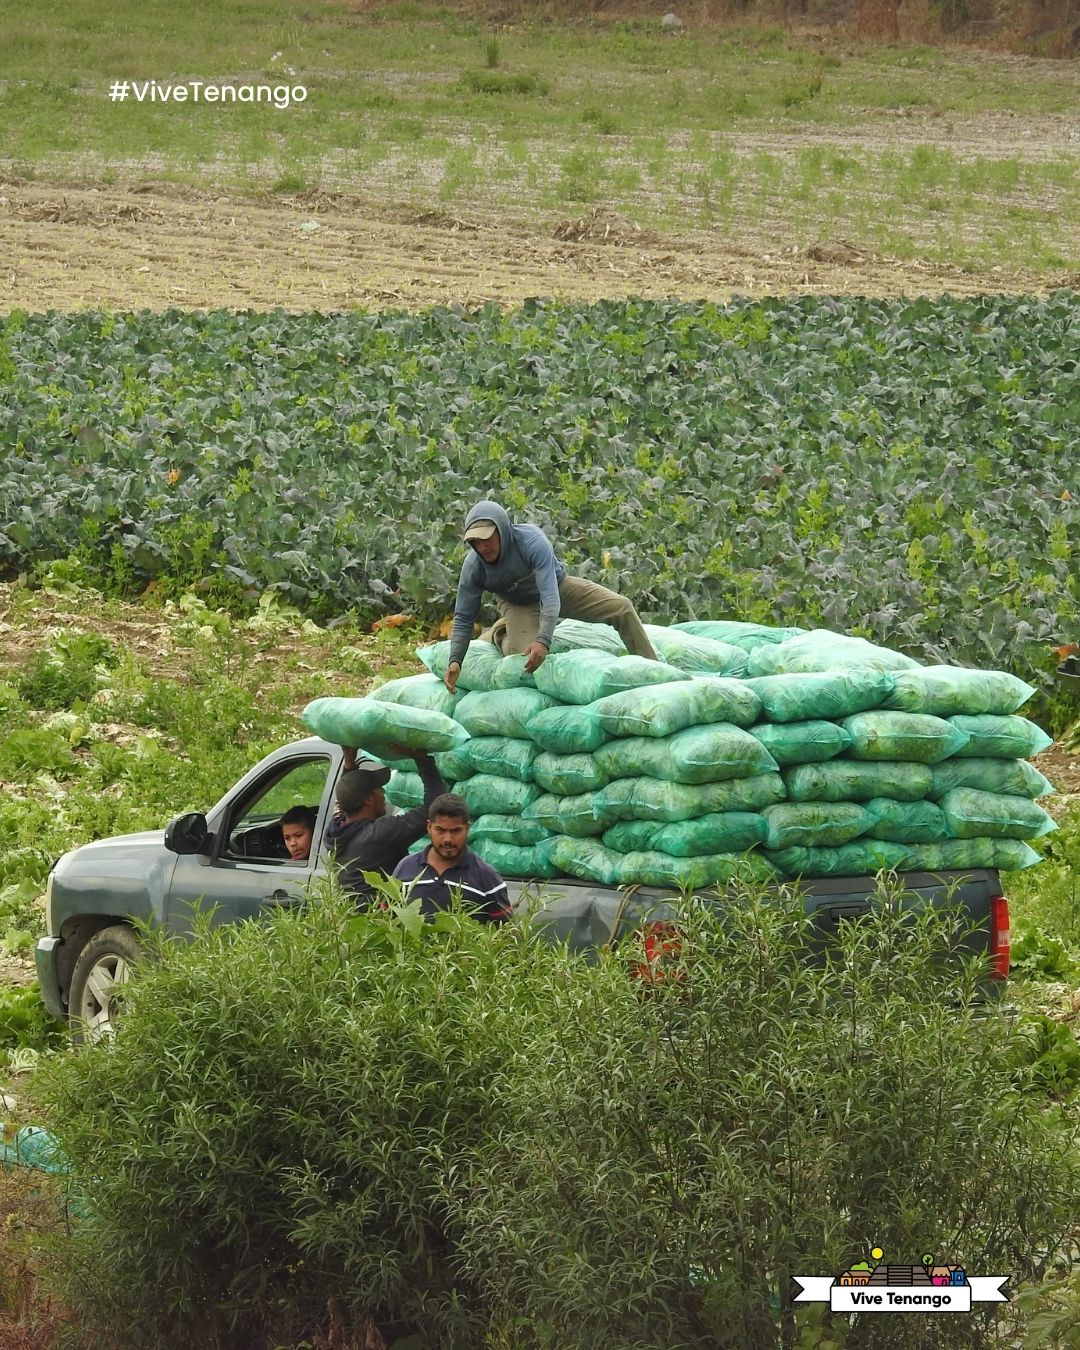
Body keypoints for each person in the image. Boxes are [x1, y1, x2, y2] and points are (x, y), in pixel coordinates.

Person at [444, 498, 658, 693]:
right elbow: (464, 616)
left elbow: (550, 595)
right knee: (525, 659)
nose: (483, 547)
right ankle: (501, 633)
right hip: (517, 603)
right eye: (476, 542)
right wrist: (455, 660)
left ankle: (653, 670)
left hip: (557, 588)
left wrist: (544, 640)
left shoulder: (531, 541)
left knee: (621, 607)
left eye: (487, 539)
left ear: (503, 530)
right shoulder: (473, 567)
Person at [326, 750, 447, 903]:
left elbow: (345, 796)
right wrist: (421, 758)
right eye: (378, 788)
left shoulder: (336, 829)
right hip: (380, 920)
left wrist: (349, 762)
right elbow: (436, 806)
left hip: (354, 918)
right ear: (369, 799)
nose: (383, 791)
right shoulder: (379, 834)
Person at [391, 794, 510, 924]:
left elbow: (506, 934)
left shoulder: (487, 877)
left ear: (467, 828)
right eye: (440, 830)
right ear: (429, 827)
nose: (448, 839)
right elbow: (385, 919)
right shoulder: (405, 868)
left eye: (456, 831)